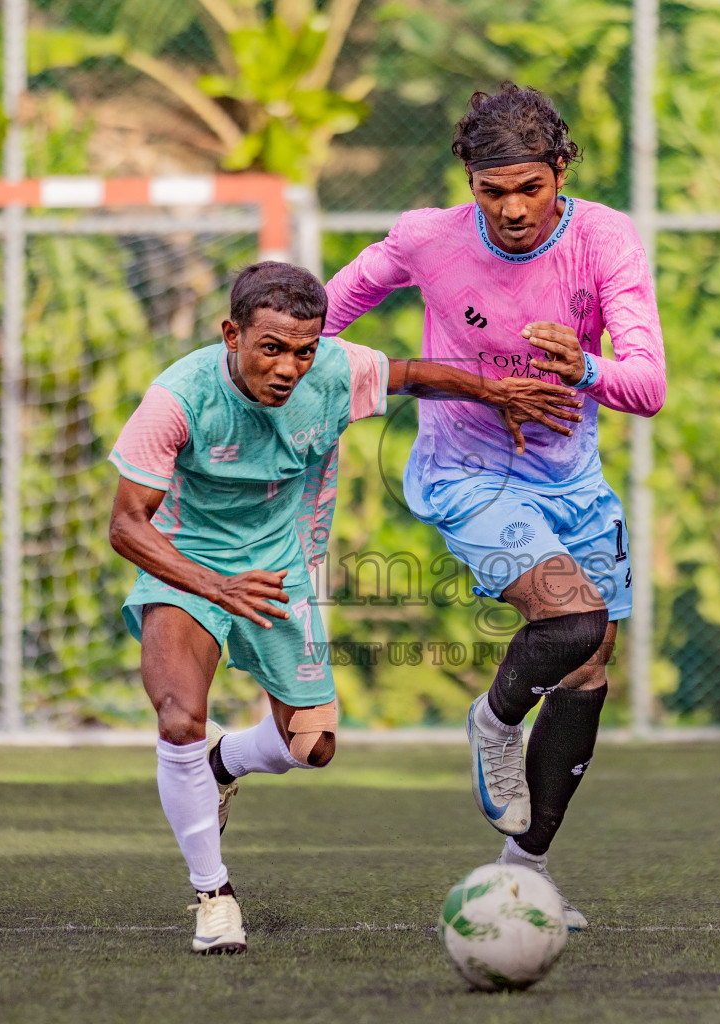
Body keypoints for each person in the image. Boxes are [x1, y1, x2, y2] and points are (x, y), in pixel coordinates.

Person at [107, 261, 580, 955]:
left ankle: (223, 764)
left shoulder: (335, 369)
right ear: (231, 335)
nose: (288, 368)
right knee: (180, 718)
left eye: (303, 351)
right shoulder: (178, 398)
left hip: (280, 569)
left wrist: (495, 392)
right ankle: (213, 896)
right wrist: (216, 587)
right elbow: (126, 526)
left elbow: (412, 374)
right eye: (271, 348)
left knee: (312, 748)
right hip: (185, 564)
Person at [322, 83, 666, 930]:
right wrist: (437, 384)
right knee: (574, 621)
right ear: (469, 183)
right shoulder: (426, 238)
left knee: (588, 668)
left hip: (573, 481)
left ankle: (526, 870)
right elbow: (320, 323)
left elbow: (648, 386)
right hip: (467, 473)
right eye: (492, 190)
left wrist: (584, 368)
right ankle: (495, 719)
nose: (512, 209)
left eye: (529, 188)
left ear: (560, 173)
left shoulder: (605, 240)